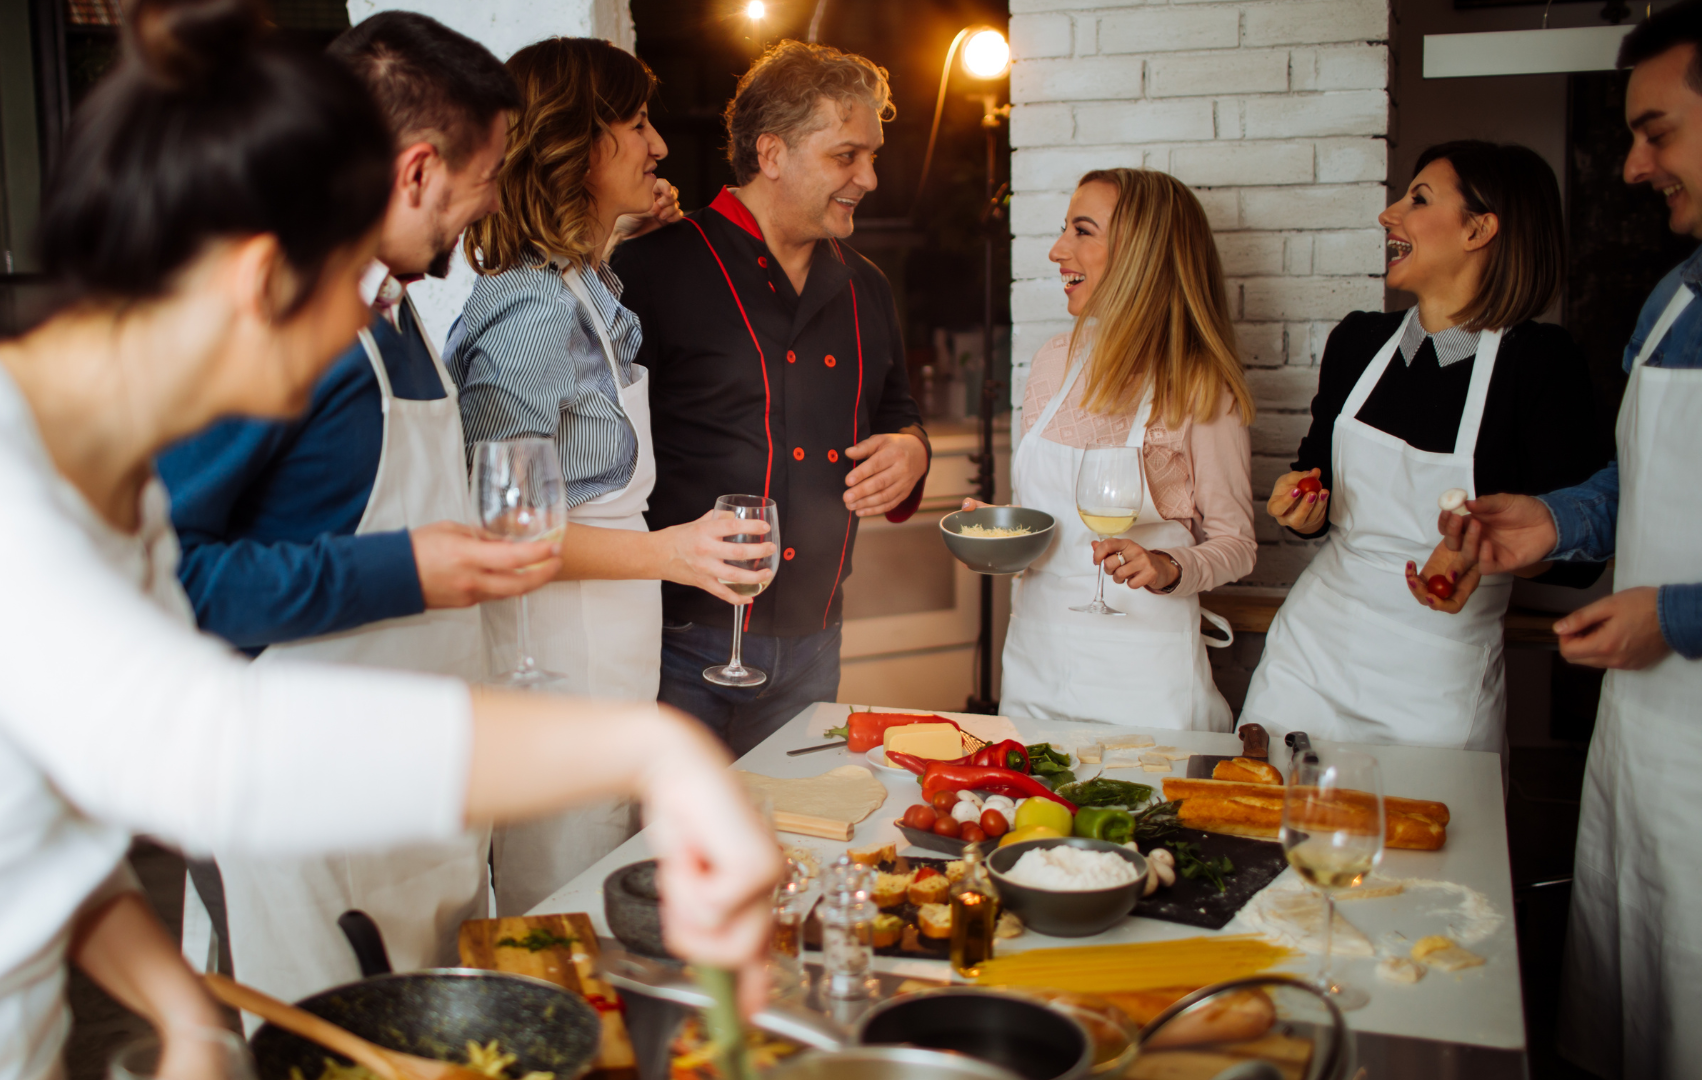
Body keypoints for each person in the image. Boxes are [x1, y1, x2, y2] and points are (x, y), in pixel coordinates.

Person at [0, 4, 780, 1077]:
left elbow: (47, 819)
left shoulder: (120, 504)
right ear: (262, 279)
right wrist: (654, 751)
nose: (366, 324)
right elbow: (203, 749)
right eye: (355, 284)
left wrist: (178, 1014)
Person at [151, 11, 536, 1012]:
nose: (486, 211)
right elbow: (168, 577)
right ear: (415, 174)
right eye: (485, 181)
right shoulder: (266, 311)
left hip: (408, 805)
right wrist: (409, 569)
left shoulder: (393, 308)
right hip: (293, 820)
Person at [447, 37, 775, 915]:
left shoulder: (578, 286)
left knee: (596, 859)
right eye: (634, 124)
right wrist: (676, 553)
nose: (659, 145)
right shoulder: (529, 309)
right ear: (577, 146)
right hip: (555, 648)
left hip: (606, 638)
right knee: (557, 887)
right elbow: (500, 531)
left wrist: (618, 228)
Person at [1440, 10, 1702, 1075]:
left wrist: (1679, 615)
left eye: (1659, 133)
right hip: (1643, 745)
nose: (1635, 168)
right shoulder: (1673, 297)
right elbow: (1641, 483)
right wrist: (1556, 518)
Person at [1238, 141, 1613, 753]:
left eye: (1418, 199)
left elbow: (1580, 559)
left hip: (1438, 673)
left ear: (1479, 228)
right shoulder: (1359, 342)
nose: (1390, 214)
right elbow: (1317, 481)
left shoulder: (1541, 362)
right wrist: (1301, 505)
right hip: (1312, 651)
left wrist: (1492, 549)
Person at [612, 40, 931, 756]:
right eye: (846, 156)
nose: (870, 178)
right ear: (772, 153)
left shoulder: (867, 286)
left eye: (873, 156)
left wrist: (911, 450)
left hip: (818, 640)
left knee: (792, 848)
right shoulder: (652, 267)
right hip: (679, 644)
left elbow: (896, 411)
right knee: (672, 856)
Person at [970, 168, 1255, 729]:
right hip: (1037, 662)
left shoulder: (1199, 384)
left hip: (1145, 681)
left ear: (1141, 254)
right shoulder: (1054, 360)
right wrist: (1003, 535)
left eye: (1082, 231)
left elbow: (1237, 544)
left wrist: (1170, 565)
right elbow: (1046, 520)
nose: (1058, 250)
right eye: (1064, 230)